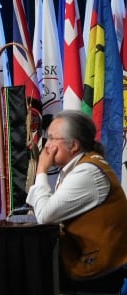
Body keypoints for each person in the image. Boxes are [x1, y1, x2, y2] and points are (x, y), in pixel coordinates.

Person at [26, 110, 127, 292]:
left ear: (73, 145)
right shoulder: (74, 168)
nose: (45, 146)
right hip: (87, 269)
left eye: (51, 138)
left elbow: (45, 215)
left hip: (98, 276)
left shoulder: (87, 172)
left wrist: (41, 169)